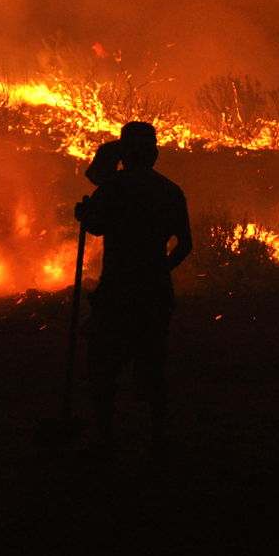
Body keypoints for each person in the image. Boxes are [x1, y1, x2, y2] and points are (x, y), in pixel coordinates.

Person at [76, 121, 192, 459]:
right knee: (154, 362)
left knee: (103, 364)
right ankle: (158, 437)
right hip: (155, 291)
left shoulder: (116, 187)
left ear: (126, 154)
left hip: (118, 288)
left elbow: (95, 226)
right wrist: (159, 271)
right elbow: (185, 244)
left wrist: (84, 215)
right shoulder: (170, 190)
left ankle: (104, 437)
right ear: (154, 153)